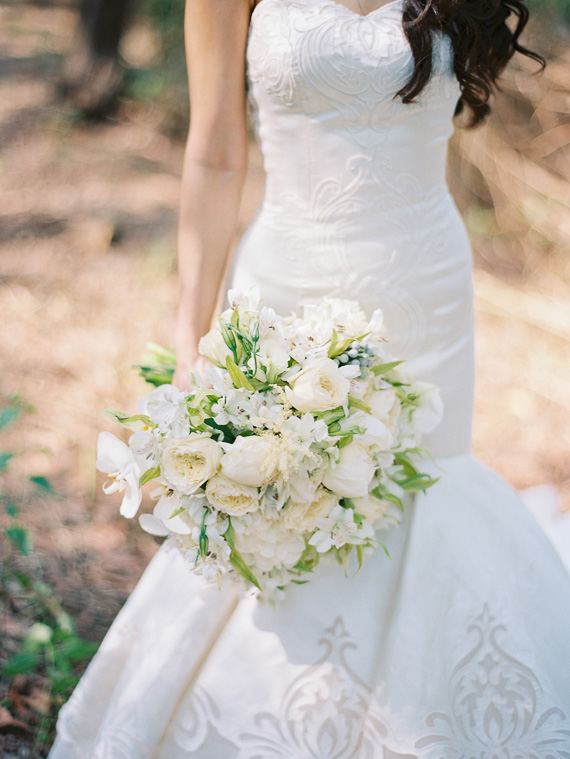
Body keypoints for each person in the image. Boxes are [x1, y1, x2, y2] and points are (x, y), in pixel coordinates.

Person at [49, 0, 570, 756]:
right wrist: (191, 330)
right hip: (287, 287)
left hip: (421, 291)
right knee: (279, 501)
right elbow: (215, 154)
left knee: (423, 495)